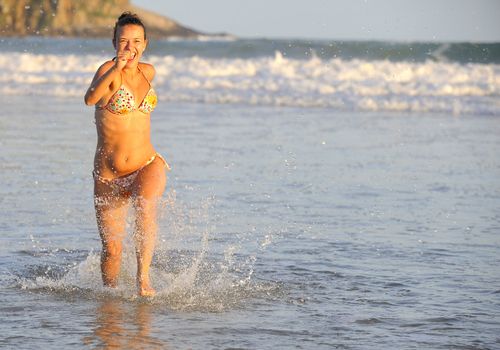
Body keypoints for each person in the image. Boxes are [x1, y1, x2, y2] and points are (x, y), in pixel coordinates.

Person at [84, 12, 169, 297]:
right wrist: (115, 68)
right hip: (109, 175)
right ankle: (109, 297)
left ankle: (143, 280)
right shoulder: (107, 69)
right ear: (114, 43)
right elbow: (90, 98)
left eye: (136, 41)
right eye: (123, 41)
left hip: (147, 163)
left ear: (145, 43)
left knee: (146, 207)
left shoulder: (149, 71)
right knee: (112, 249)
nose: (129, 48)